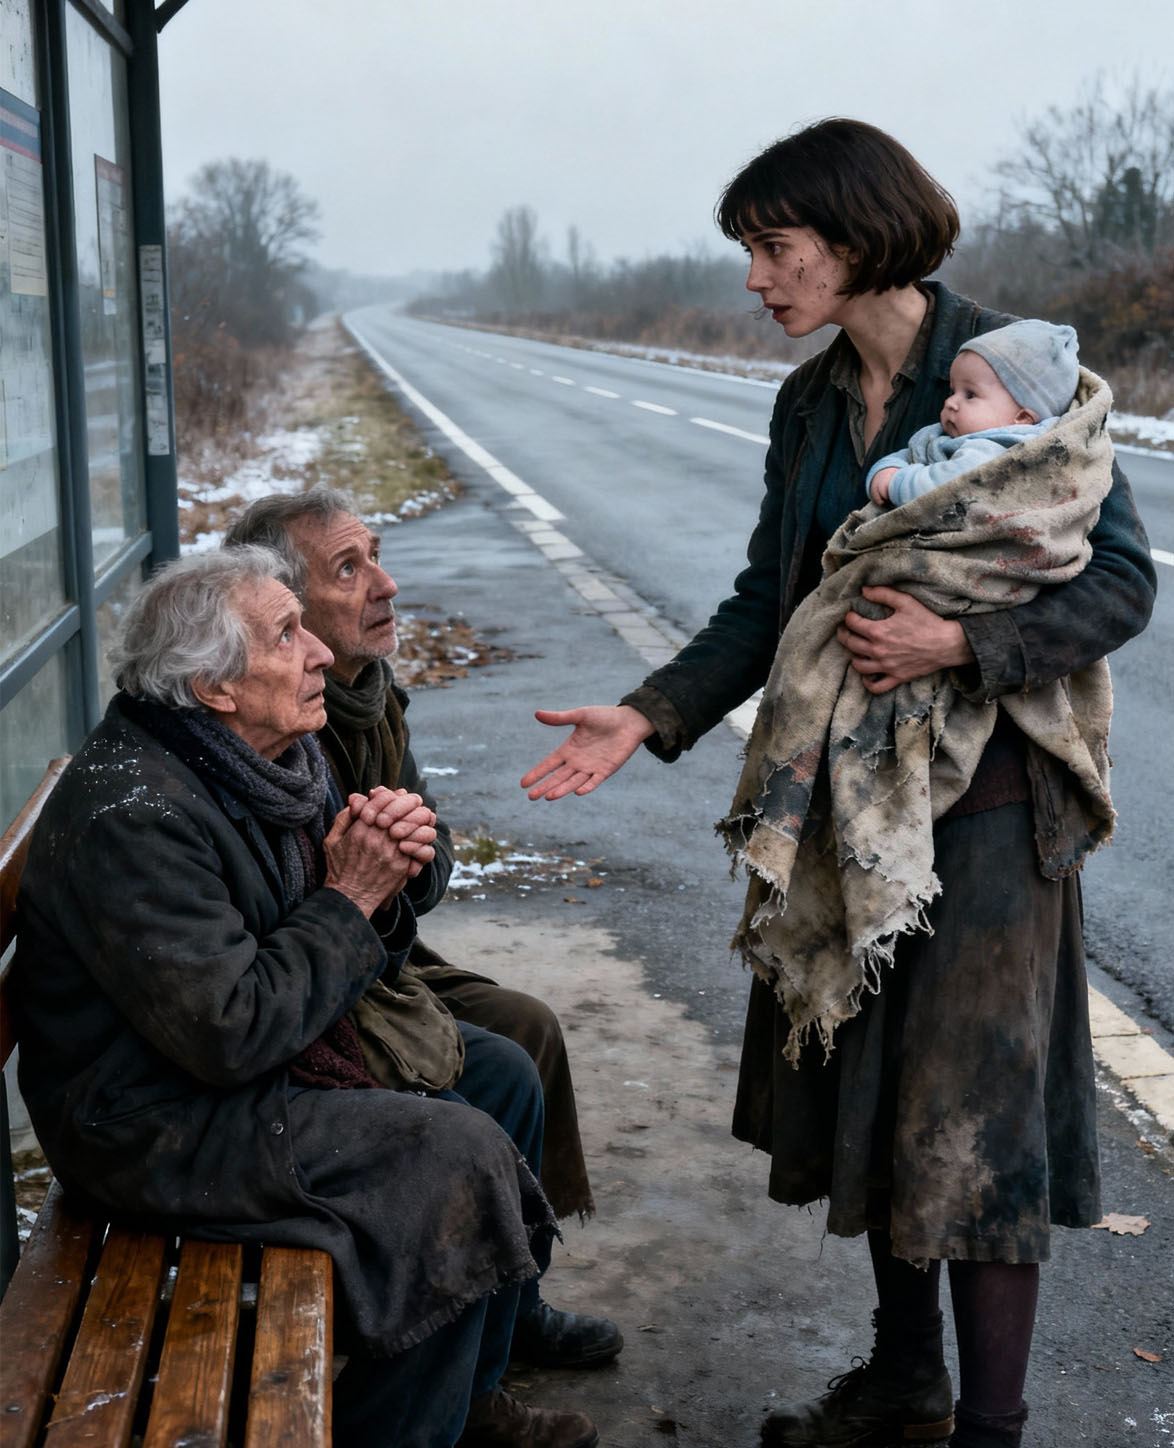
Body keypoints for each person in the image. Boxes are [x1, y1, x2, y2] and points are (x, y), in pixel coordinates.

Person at [520, 118, 1156, 1448]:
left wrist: (962, 643)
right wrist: (644, 716)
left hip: (988, 811)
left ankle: (988, 1428)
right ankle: (902, 1379)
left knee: (973, 1119)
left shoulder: (1011, 367)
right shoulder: (807, 404)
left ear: (858, 236)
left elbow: (1118, 582)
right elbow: (772, 597)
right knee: (876, 1096)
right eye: (750, 252)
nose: (755, 278)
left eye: (772, 247)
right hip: (850, 812)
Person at [12, 548, 598, 1448]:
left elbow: (324, 948)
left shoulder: (269, 757)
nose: (319, 652)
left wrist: (386, 878)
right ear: (214, 687)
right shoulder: (136, 817)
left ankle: (469, 1394)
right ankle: (396, 1429)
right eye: (287, 634)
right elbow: (231, 1034)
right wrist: (350, 896)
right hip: (151, 1121)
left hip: (244, 1066)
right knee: (449, 1157)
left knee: (502, 1075)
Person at [224, 489, 623, 1373]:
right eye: (349, 568)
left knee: (528, 1027)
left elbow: (430, 845)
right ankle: (471, 1334)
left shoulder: (369, 694)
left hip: (377, 951)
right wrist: (367, 878)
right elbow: (269, 939)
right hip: (333, 974)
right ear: (285, 607)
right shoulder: (279, 712)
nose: (387, 585)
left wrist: (406, 860)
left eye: (376, 555)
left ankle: (515, 1307)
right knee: (498, 1059)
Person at [866, 318, 1082, 506]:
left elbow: (948, 487)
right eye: (952, 391)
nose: (950, 402)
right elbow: (913, 453)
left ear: (1022, 418)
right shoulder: (948, 436)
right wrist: (888, 467)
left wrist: (898, 482)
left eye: (970, 395)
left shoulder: (995, 451)